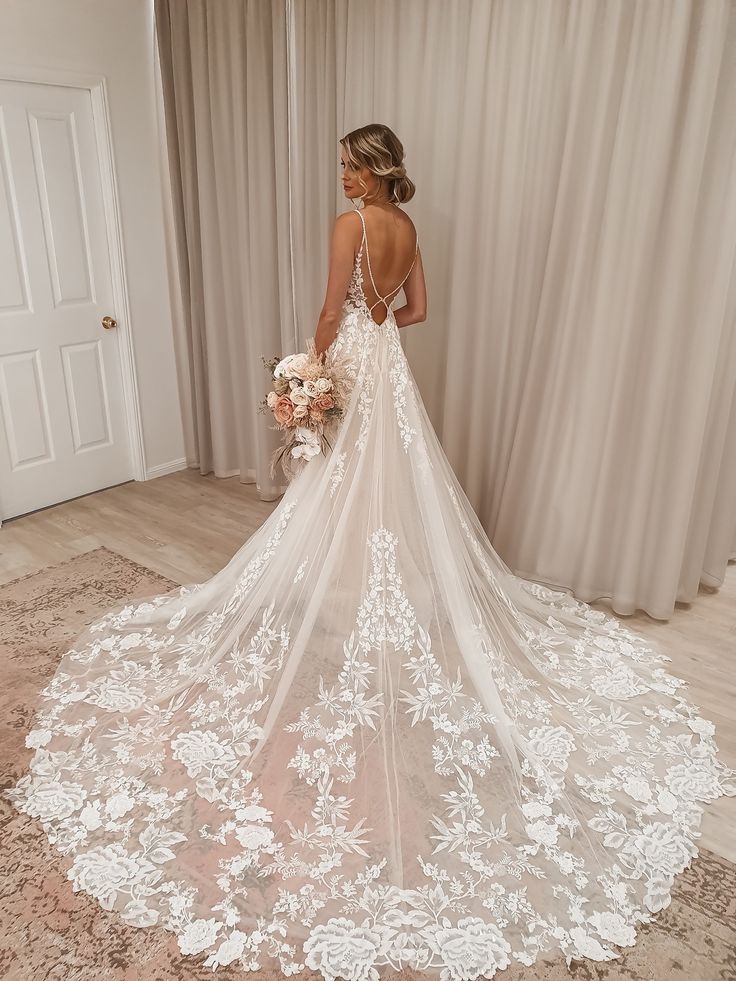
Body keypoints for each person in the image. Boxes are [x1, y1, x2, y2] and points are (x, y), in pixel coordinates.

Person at [7, 122, 734, 981]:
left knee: (338, 482)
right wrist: (369, 325)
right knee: (393, 480)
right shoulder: (408, 229)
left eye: (348, 167)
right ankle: (368, 580)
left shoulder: (351, 222)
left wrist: (306, 373)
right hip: (390, 362)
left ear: (366, 170)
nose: (343, 178)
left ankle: (338, 584)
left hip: (352, 358)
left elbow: (327, 305)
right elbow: (415, 310)